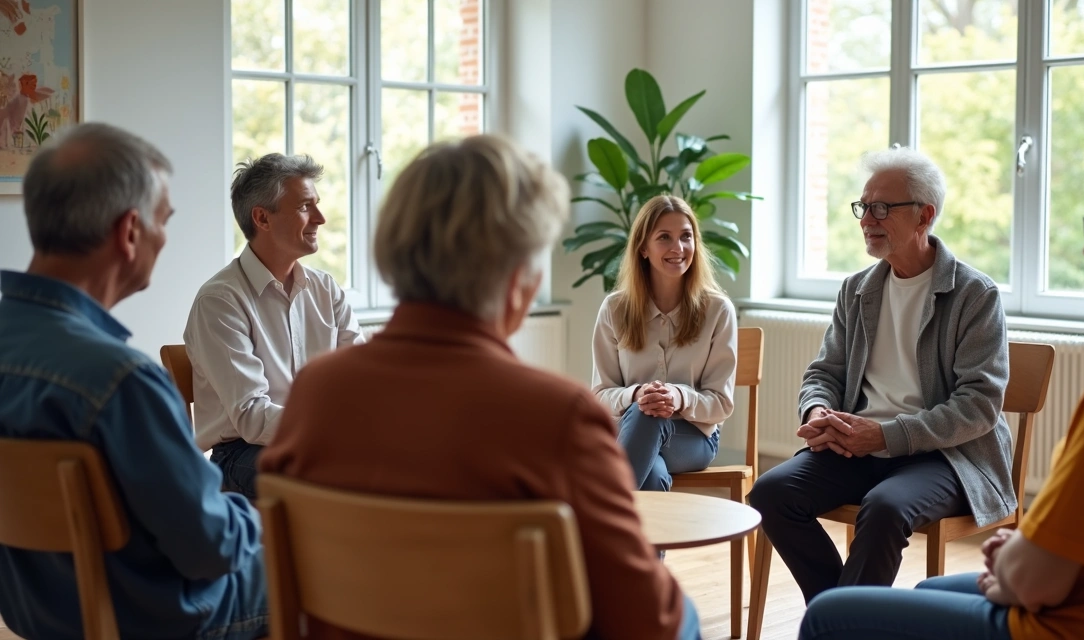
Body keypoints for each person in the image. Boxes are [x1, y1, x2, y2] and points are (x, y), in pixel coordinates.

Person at [259, 135, 702, 640]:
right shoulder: (559, 416)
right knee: (681, 615)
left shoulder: (316, 394)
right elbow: (647, 623)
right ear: (519, 279)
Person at [799, 144, 1084, 640]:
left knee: (830, 618)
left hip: (1071, 625)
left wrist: (1012, 560)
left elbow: (1037, 581)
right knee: (924, 593)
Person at [0, 123, 266, 639]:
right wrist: (265, 515)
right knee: (328, 572)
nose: (164, 237)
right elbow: (210, 546)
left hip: (41, 614)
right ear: (129, 232)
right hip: (160, 620)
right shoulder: (121, 383)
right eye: (163, 221)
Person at [748, 147, 1013, 602]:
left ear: (924, 216)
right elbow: (824, 371)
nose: (867, 218)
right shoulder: (857, 290)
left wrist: (885, 436)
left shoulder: (974, 294)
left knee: (886, 508)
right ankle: (845, 617)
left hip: (946, 456)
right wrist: (819, 411)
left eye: (882, 208)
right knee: (771, 493)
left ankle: (840, 622)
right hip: (858, 446)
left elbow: (978, 406)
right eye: (863, 206)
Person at [185, 153, 363, 499]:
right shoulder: (220, 301)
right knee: (343, 473)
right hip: (241, 454)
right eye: (305, 207)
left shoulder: (326, 289)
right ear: (262, 218)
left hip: (321, 443)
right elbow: (252, 417)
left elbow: (360, 380)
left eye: (317, 205)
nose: (321, 219)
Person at [591, 195, 737, 492]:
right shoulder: (615, 309)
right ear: (643, 248)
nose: (678, 248)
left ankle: (597, 522)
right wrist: (638, 394)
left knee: (649, 415)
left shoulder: (718, 310)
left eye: (686, 237)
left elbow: (721, 404)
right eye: (664, 238)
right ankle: (640, 538)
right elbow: (600, 395)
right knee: (653, 475)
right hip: (628, 431)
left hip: (695, 438)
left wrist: (677, 397)